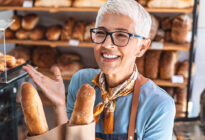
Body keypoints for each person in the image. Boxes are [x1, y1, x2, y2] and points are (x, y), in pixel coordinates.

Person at [23, 0, 176, 139]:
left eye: (121, 35)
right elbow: (69, 138)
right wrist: (59, 105)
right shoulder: (81, 81)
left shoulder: (159, 105)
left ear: (142, 47)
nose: (107, 44)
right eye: (101, 33)